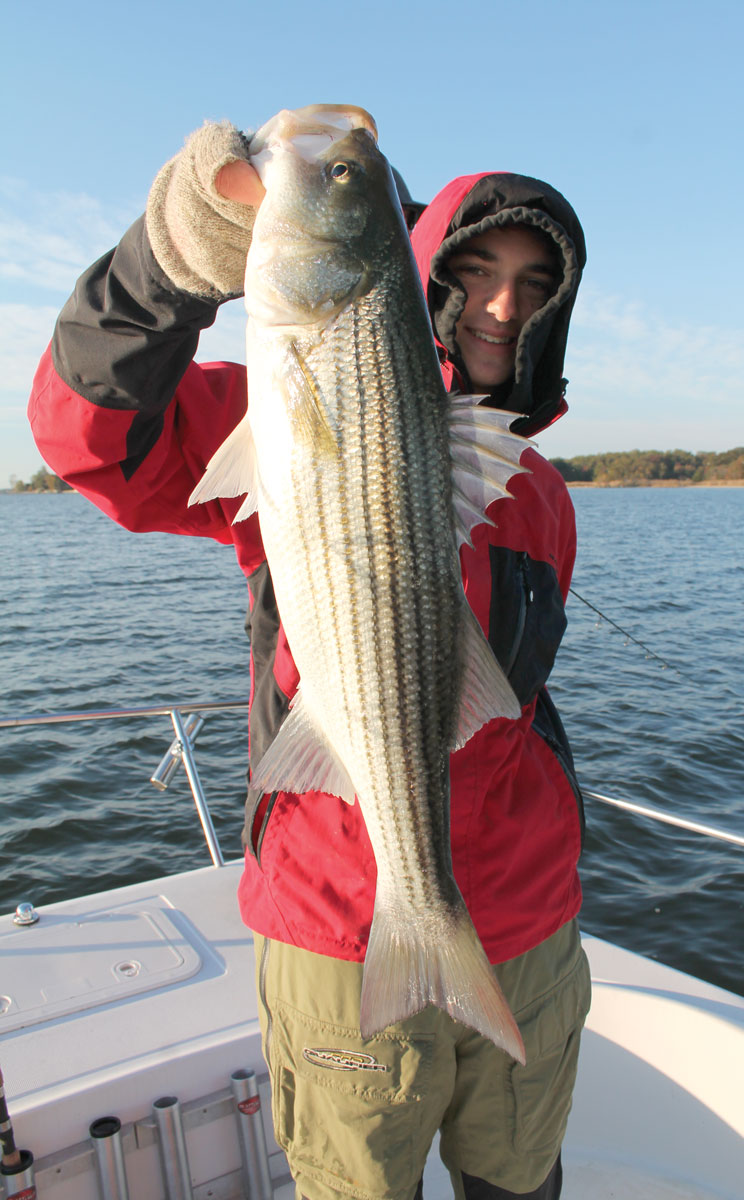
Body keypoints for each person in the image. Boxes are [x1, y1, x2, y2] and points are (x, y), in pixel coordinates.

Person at [28, 117, 590, 1200]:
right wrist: (167, 267)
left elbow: (510, 706)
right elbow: (89, 440)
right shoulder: (273, 403)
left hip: (528, 924)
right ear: (415, 271)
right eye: (472, 271)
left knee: (520, 1182)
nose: (501, 305)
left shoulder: (543, 492)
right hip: (337, 924)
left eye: (531, 282)